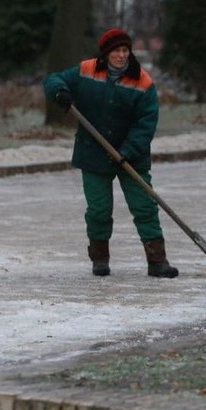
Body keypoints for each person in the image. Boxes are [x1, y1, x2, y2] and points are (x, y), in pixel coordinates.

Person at [42, 28, 178, 278]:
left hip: (131, 156)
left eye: (125, 50)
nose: (121, 55)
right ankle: (100, 258)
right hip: (93, 152)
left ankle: (157, 260)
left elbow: (146, 123)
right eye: (116, 50)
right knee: (99, 210)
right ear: (106, 53)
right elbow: (53, 79)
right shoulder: (87, 70)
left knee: (144, 206)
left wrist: (127, 150)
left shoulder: (142, 82)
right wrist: (60, 92)